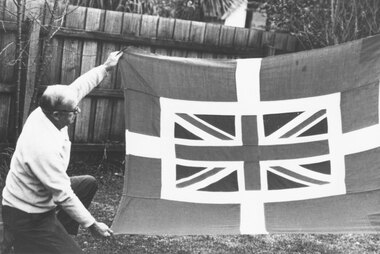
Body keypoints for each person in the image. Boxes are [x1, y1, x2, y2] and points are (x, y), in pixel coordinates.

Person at [1, 51, 123, 254]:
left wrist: (106, 67)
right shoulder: (41, 146)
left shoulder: (49, 109)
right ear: (57, 114)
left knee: (87, 183)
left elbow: (80, 86)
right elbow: (63, 195)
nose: (78, 112)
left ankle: (56, 235)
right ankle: (28, 238)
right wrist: (93, 225)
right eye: (74, 110)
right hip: (28, 214)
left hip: (38, 196)